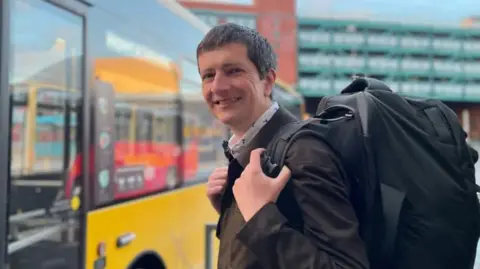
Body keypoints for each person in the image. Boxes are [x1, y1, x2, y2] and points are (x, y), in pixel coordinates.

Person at [198, 23, 368, 269]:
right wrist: (231, 211)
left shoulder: (304, 152)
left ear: (267, 81)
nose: (218, 86)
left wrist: (258, 216)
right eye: (208, 75)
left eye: (233, 71)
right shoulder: (249, 151)